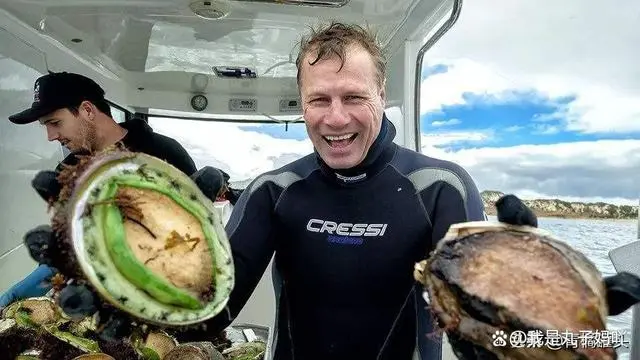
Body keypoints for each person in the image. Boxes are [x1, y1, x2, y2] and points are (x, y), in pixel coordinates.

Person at [175, 22, 487, 360]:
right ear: (302, 103)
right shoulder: (273, 191)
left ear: (380, 95)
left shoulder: (441, 188)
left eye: (353, 97)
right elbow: (205, 317)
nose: (336, 118)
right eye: (319, 100)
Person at [0, 71, 199, 307]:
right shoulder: (67, 172)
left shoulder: (165, 154)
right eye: (46, 126)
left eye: (55, 123)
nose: (51, 136)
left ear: (87, 110)